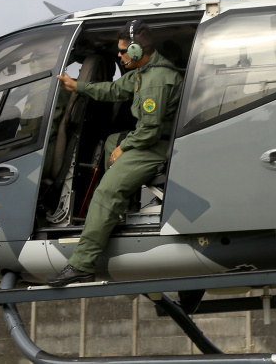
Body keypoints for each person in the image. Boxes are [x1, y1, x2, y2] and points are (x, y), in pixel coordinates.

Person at [46, 20, 183, 286]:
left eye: (122, 52)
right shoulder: (145, 71)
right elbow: (113, 90)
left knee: (106, 192)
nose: (118, 56)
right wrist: (79, 86)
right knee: (111, 141)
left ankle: (82, 264)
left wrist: (126, 146)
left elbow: (149, 132)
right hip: (149, 140)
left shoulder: (155, 81)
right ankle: (119, 208)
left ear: (135, 51)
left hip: (154, 147)